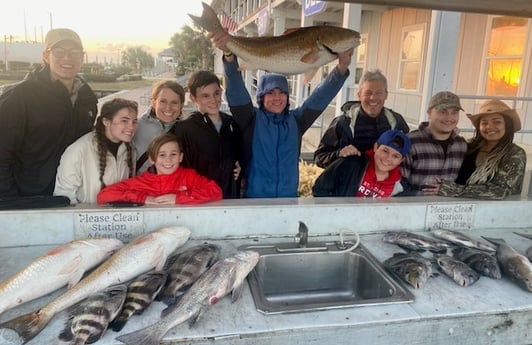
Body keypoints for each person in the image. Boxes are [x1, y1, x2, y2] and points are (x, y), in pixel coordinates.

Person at [210, 30, 353, 198]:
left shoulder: (297, 120)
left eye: (282, 92)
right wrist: (229, 56)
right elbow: (236, 90)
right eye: (270, 93)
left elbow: (320, 97)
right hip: (254, 200)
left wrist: (341, 68)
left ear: (287, 96)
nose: (277, 97)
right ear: (261, 98)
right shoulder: (250, 119)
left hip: (288, 200)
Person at [0, 28, 98, 197]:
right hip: (28, 198)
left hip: (71, 196)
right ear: (46, 56)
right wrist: (10, 200)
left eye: (74, 52)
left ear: (82, 57)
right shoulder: (19, 97)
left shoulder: (86, 98)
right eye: (59, 52)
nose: (67, 58)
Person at [314, 69, 410, 169]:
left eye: (379, 93)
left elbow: (407, 156)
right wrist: (339, 154)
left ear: (386, 95)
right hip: (349, 181)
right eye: (368, 93)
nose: (373, 97)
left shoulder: (397, 123)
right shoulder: (343, 123)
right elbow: (319, 157)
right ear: (359, 95)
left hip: (384, 182)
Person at [170, 70, 242, 198]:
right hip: (199, 202)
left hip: (229, 199)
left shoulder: (232, 124)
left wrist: (240, 166)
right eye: (205, 96)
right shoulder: (184, 129)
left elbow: (239, 157)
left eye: (216, 93)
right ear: (193, 98)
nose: (213, 100)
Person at [97, 133, 223, 205]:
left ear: (180, 157)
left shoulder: (189, 176)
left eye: (173, 154)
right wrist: (143, 198)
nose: (168, 160)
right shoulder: (140, 181)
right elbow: (104, 195)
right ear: (152, 159)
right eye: (162, 155)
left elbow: (216, 191)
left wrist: (179, 198)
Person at [54, 98, 138, 204]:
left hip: (120, 217)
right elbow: (64, 195)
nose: (131, 127)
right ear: (106, 121)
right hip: (87, 218)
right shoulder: (78, 150)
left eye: (134, 121)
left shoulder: (130, 149)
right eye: (124, 121)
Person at [437, 99, 526, 200]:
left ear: (507, 125)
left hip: (493, 212)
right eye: (484, 123)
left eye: (497, 122)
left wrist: (451, 189)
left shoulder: (515, 154)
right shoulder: (469, 147)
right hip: (454, 209)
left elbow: (500, 190)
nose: (489, 127)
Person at [399, 91, 467, 196]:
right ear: (429, 112)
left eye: (454, 112)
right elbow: (399, 184)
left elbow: (464, 182)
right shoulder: (411, 142)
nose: (449, 117)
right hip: (415, 208)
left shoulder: (461, 145)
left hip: (451, 210)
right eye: (442, 112)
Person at [313, 129, 411, 197]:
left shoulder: (399, 187)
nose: (388, 158)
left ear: (401, 160)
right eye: (385, 151)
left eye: (396, 156)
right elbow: (320, 188)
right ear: (375, 147)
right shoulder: (351, 164)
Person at [134, 80, 186, 174]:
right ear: (153, 102)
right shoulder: (135, 126)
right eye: (163, 101)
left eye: (174, 102)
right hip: (140, 185)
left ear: (181, 105)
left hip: (172, 187)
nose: (168, 108)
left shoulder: (186, 130)